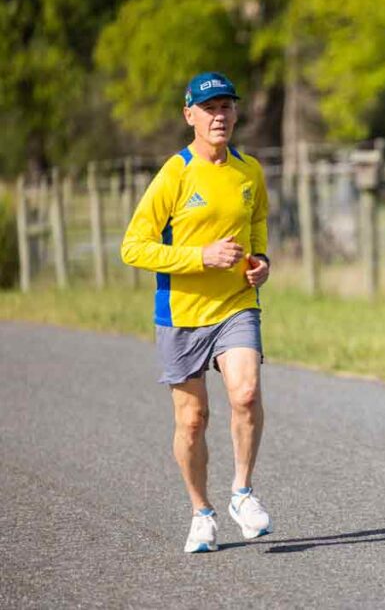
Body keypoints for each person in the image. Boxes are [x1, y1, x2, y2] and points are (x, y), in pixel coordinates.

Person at [122, 71, 273, 553]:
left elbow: (258, 224)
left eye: (227, 106)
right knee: (192, 420)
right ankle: (201, 511)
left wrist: (261, 262)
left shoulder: (249, 170)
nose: (220, 116)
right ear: (190, 116)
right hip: (182, 313)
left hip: (235, 305)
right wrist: (199, 257)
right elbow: (133, 247)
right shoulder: (175, 173)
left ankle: (242, 494)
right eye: (209, 109)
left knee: (245, 393)